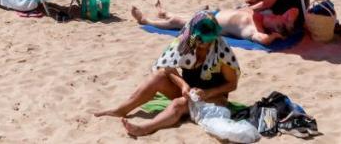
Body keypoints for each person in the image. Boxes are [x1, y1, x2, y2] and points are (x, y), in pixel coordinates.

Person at [95, 11, 240, 137]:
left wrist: (208, 93)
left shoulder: (221, 51)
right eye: (201, 40)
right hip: (189, 90)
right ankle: (121, 109)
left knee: (179, 103)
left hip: (214, 97)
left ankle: (146, 127)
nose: (205, 44)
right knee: (158, 77)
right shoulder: (186, 41)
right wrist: (183, 85)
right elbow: (167, 67)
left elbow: (232, 84)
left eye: (209, 41)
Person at [132, 0, 300, 47]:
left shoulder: (254, 30)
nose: (282, 15)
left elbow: (263, 39)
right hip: (215, 13)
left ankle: (146, 20)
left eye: (283, 19)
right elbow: (293, 10)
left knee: (177, 22)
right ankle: (164, 12)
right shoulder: (266, 16)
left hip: (211, 24)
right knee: (190, 15)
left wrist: (276, 36)